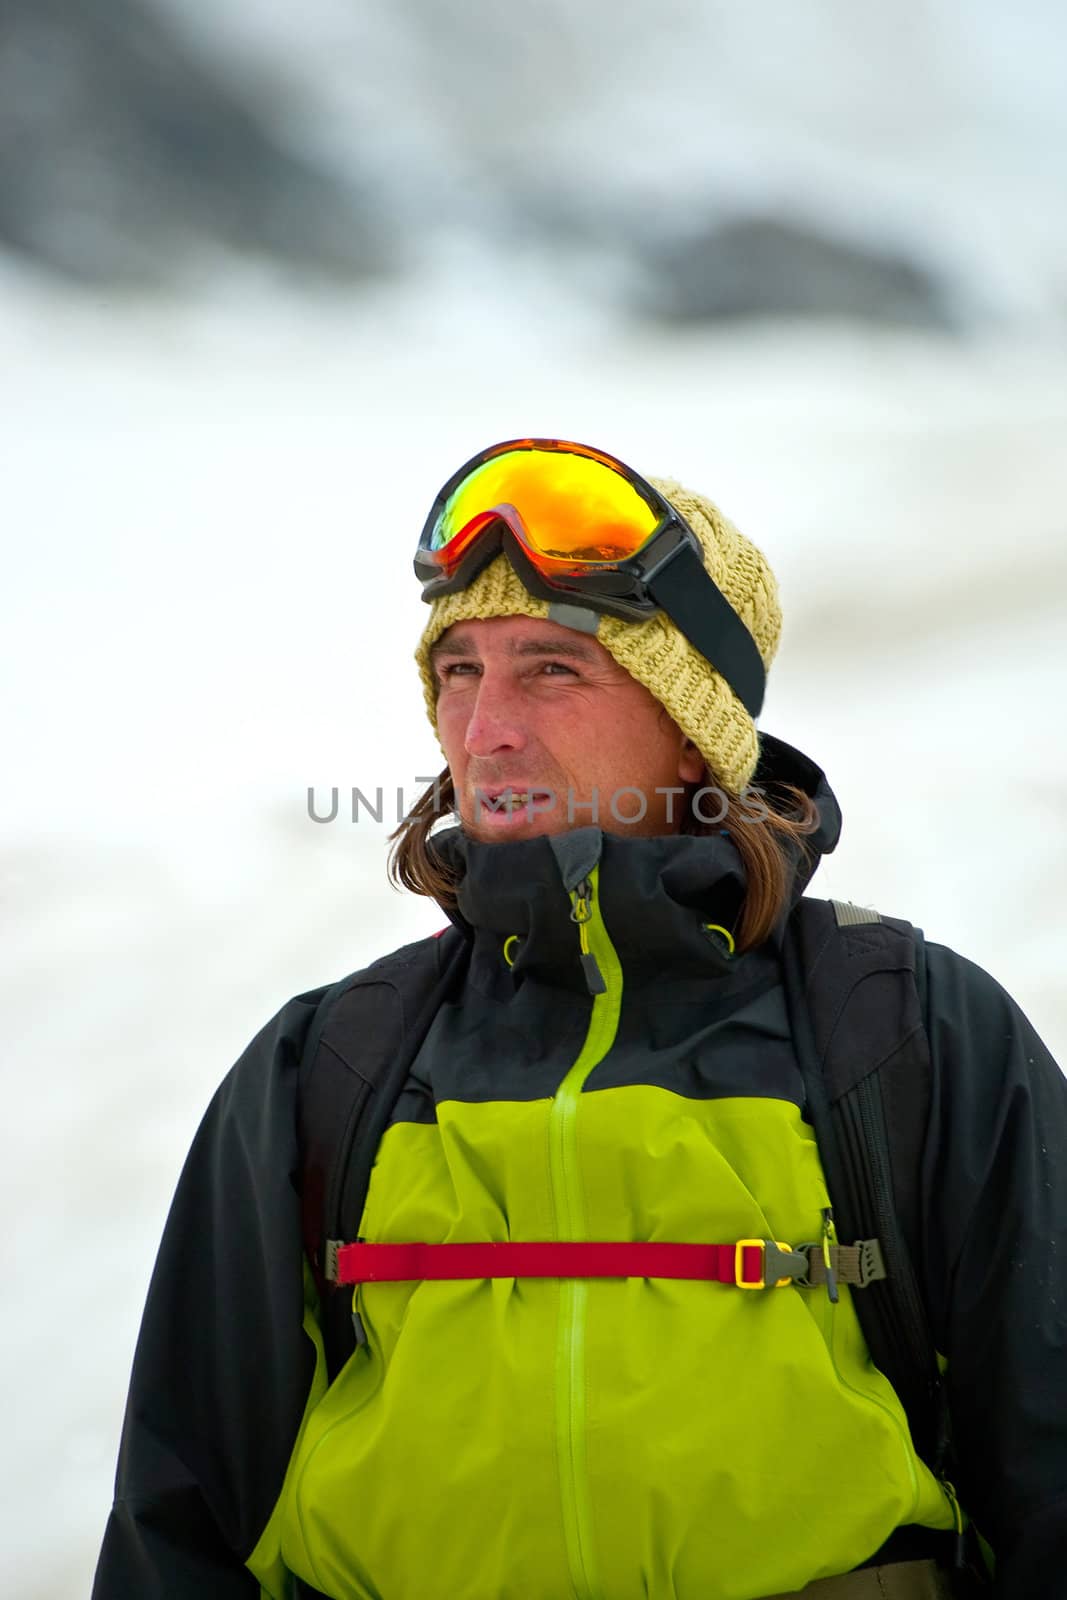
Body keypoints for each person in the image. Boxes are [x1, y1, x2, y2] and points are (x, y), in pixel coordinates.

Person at [95, 439, 1067, 1599]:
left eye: (550, 668)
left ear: (690, 722)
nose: (482, 729)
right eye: (456, 668)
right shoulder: (329, 1063)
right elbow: (181, 1531)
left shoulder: (906, 1034)